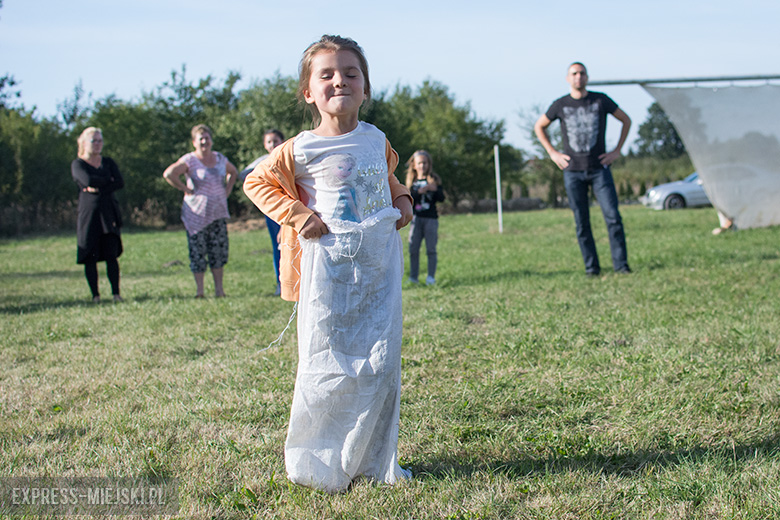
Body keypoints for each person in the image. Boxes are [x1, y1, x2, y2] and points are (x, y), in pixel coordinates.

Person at [243, 35, 414, 493]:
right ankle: (319, 461)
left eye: (351, 73)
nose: (340, 81)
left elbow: (385, 175)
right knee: (329, 364)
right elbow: (257, 183)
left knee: (379, 364)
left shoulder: (376, 138)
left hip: (376, 274)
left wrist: (401, 197)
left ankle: (372, 460)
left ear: (366, 87)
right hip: (329, 278)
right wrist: (299, 215)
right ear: (308, 92)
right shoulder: (300, 148)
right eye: (327, 74)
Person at [534, 62, 632, 276]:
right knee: (581, 221)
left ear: (587, 77)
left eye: (582, 73)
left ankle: (621, 266)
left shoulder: (601, 100)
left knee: (613, 217)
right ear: (568, 78)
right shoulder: (560, 104)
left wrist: (616, 151)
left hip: (599, 169)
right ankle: (591, 268)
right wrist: (553, 153)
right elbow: (539, 126)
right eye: (574, 73)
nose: (578, 77)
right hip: (572, 171)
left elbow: (626, 120)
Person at [163, 124, 238, 298]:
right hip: (196, 216)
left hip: (217, 213)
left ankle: (219, 290)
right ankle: (200, 291)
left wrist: (227, 190)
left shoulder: (220, 158)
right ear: (194, 142)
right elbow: (169, 174)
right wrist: (184, 188)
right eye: (200, 139)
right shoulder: (190, 160)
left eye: (207, 138)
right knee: (198, 252)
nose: (204, 141)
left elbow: (233, 172)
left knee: (218, 252)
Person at [71, 127, 124, 303]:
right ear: (84, 143)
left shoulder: (108, 162)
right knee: (90, 255)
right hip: (89, 215)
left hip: (108, 213)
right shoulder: (78, 164)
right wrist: (107, 182)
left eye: (100, 140)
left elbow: (119, 182)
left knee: (111, 254)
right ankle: (95, 296)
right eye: (94, 140)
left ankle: (116, 294)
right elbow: (86, 180)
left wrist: (98, 188)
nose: (98, 144)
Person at [239, 129, 285, 296]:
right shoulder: (262, 161)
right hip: (272, 211)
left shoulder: (289, 157)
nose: (272, 144)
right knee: (277, 246)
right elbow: (244, 175)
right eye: (269, 142)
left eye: (275, 140)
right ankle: (280, 282)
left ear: (282, 141)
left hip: (291, 207)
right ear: (265, 145)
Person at [405, 150, 444, 285]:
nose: (422, 166)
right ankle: (413, 278)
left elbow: (441, 198)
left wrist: (435, 189)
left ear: (429, 164)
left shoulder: (434, 180)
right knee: (413, 248)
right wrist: (419, 192)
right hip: (416, 219)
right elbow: (408, 200)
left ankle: (431, 277)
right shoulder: (411, 182)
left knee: (431, 249)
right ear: (414, 165)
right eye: (420, 163)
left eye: (425, 163)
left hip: (431, 219)